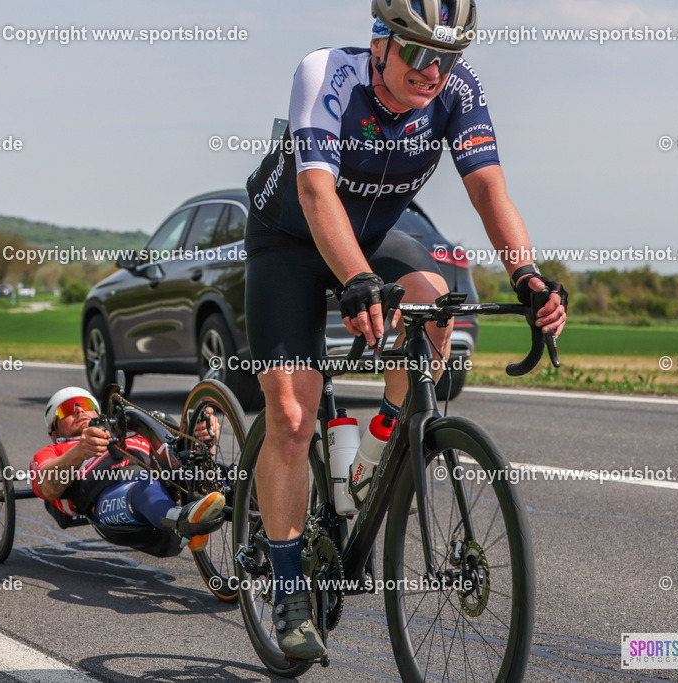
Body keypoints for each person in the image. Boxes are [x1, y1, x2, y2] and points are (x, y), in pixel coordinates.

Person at [244, 0, 568, 659]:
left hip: (372, 235)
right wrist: (357, 279)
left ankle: (373, 456)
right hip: (289, 240)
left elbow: (488, 189)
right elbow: (315, 192)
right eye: (419, 53)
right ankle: (288, 589)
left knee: (436, 301)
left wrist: (528, 276)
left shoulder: (457, 90)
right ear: (380, 44)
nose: (433, 72)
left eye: (446, 58)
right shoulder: (327, 75)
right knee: (290, 414)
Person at [29, 386, 225, 556]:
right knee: (145, 487)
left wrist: (205, 440)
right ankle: (181, 522)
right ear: (55, 432)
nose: (79, 410)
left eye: (85, 404)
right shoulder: (53, 452)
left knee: (218, 471)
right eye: (65, 410)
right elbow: (47, 488)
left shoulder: (131, 431)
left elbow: (182, 452)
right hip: (108, 498)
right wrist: (79, 452)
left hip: (165, 476)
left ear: (98, 413)